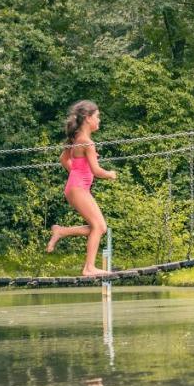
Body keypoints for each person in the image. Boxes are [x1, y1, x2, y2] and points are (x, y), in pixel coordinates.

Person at [46, 100, 117, 275]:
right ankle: (89, 267)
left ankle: (61, 231)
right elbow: (97, 171)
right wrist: (110, 174)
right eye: (97, 117)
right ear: (87, 118)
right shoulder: (87, 143)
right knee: (99, 227)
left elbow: (64, 160)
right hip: (78, 189)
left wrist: (76, 174)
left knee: (98, 227)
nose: (99, 120)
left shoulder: (76, 139)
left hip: (75, 188)